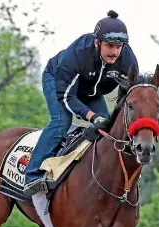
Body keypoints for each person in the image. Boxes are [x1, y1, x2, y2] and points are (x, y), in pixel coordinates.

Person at [23, 10, 139, 197]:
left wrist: (110, 120)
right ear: (97, 42)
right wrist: (92, 117)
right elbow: (67, 97)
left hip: (91, 90)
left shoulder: (128, 60)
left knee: (108, 128)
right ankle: (31, 175)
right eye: (110, 46)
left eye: (119, 46)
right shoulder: (78, 54)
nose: (115, 52)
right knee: (62, 122)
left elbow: (126, 97)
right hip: (59, 82)